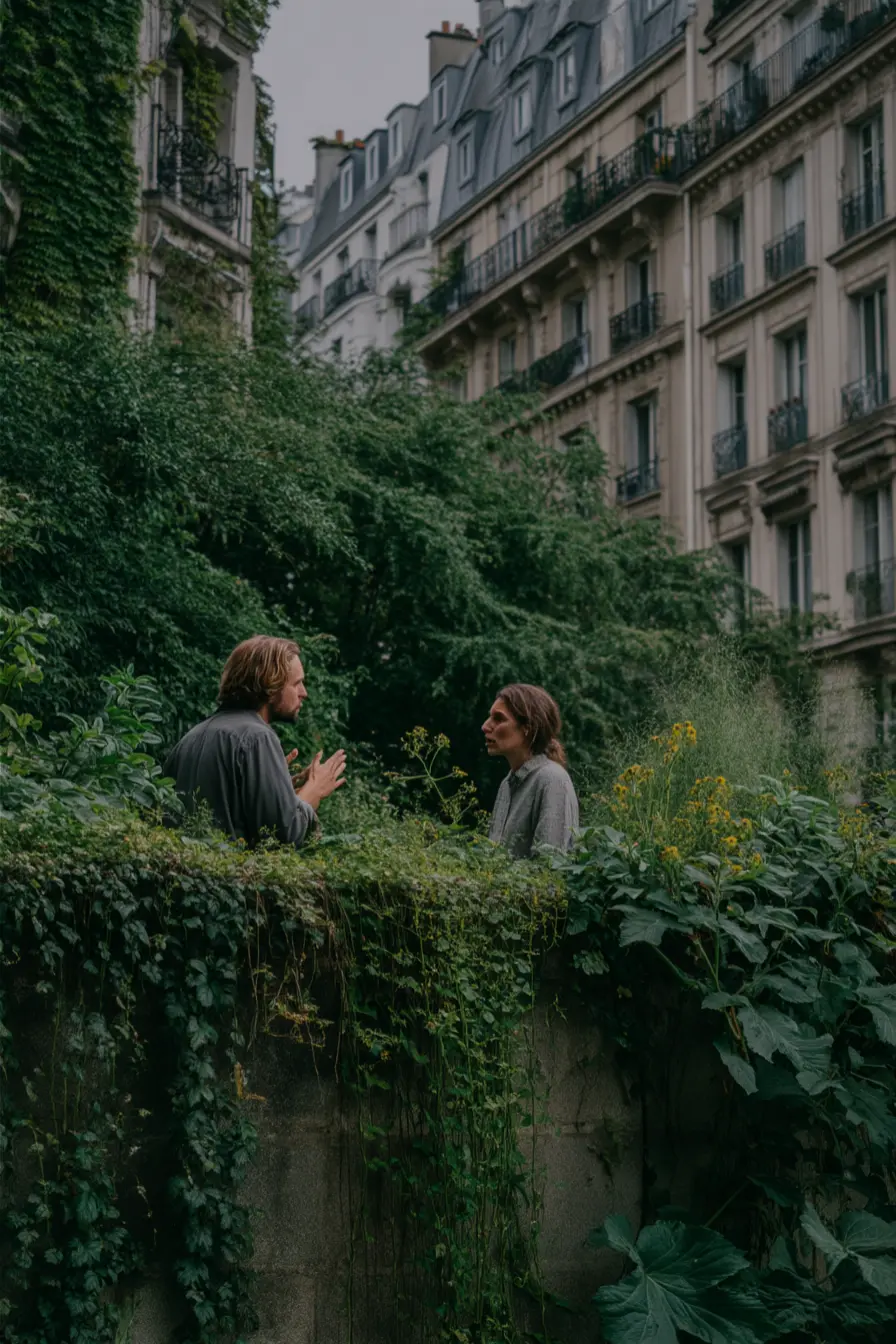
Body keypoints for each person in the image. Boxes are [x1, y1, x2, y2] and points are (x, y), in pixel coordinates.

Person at [165, 635, 345, 848]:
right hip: (228, 878)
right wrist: (312, 792)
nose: (303, 693)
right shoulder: (258, 738)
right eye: (297, 684)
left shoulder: (189, 738)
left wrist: (283, 793)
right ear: (270, 685)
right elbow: (282, 838)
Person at [482, 683, 579, 859]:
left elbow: (548, 869)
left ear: (528, 727)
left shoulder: (552, 779)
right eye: (490, 717)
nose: (485, 726)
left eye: (499, 719)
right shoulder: (507, 784)